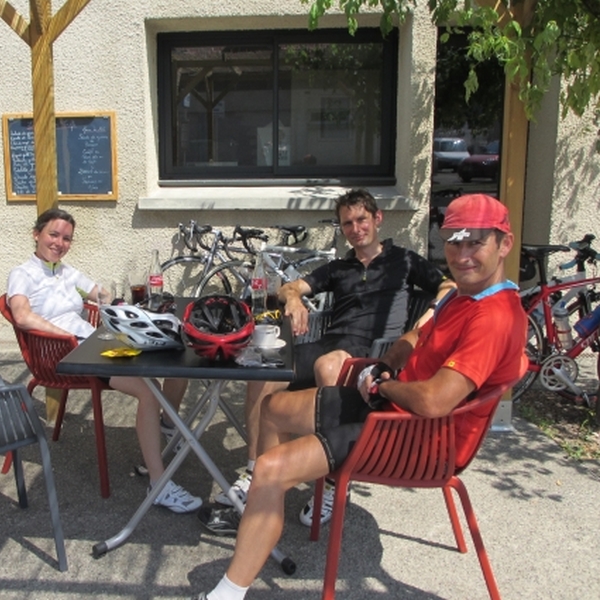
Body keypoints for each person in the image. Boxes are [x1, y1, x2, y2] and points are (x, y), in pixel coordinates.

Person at [192, 193, 528, 600]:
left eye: (474, 241)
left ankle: (228, 590)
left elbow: (434, 403)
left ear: (504, 244)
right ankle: (267, 493)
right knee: (273, 406)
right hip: (389, 406)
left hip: (414, 437)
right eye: (453, 241)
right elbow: (418, 333)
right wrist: (390, 361)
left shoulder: (494, 316)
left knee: (272, 469)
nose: (461, 253)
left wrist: (383, 385)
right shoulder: (464, 297)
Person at [213, 188, 456, 528]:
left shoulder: (404, 260)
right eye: (348, 223)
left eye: (361, 220)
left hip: (374, 356)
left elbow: (448, 287)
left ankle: (332, 483)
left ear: (377, 219)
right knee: (262, 372)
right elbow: (289, 288)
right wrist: (294, 300)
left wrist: (428, 315)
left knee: (331, 366)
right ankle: (256, 472)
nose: (356, 229)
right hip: (328, 344)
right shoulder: (339, 267)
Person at [6, 208, 201, 514]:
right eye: (53, 235)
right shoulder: (23, 274)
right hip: (66, 356)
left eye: (66, 238)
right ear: (37, 234)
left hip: (93, 344)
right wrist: (67, 335)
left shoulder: (66, 272)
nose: (59, 242)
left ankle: (166, 426)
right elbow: (21, 314)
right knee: (148, 393)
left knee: (178, 358)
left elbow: (103, 293)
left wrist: (116, 303)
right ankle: (159, 483)